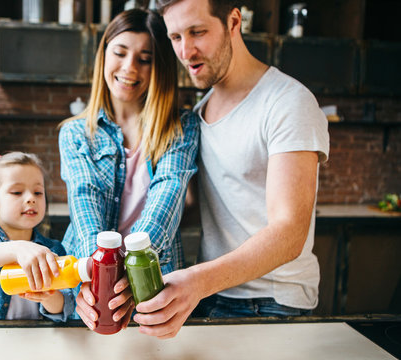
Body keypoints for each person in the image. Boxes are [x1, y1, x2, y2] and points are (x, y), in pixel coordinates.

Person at [131, 0, 330, 338]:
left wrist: (197, 279)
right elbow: (195, 209)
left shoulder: (287, 102)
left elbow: (289, 234)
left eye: (197, 32)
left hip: (273, 301)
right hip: (211, 293)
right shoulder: (200, 110)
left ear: (234, 21)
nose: (186, 50)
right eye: (175, 37)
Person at [58, 8, 199, 330]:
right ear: (103, 56)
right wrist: (99, 273)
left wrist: (131, 270)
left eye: (145, 59)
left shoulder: (182, 126)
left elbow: (169, 192)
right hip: (89, 282)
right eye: (120, 53)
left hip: (153, 280)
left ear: (159, 67)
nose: (129, 68)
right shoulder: (75, 132)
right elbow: (85, 200)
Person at [0, 152, 75, 320]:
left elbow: (64, 309)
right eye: (17, 192)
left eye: (38, 192)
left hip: (38, 339)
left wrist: (49, 296)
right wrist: (17, 249)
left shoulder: (52, 249)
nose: (31, 198)